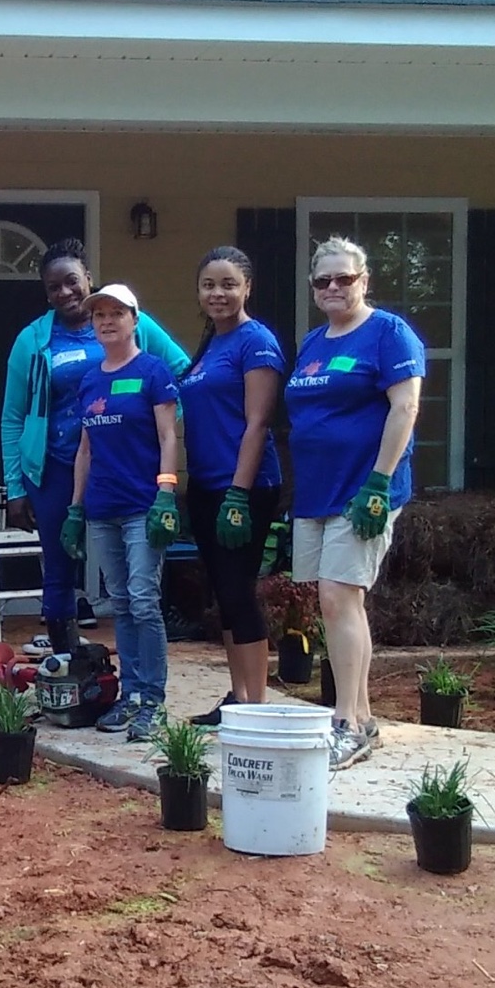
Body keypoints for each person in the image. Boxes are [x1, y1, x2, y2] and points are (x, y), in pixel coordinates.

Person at [1, 238, 191, 660]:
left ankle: (141, 677)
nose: (66, 293)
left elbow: (182, 370)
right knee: (58, 565)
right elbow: (12, 417)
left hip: (122, 468)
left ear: (88, 277)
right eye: (54, 287)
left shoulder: (126, 321)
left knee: (132, 579)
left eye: (72, 281)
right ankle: (67, 662)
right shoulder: (32, 341)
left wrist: (160, 422)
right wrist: (15, 486)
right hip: (53, 467)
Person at [283, 235, 425, 770]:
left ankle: (344, 721)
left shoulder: (388, 333)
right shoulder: (315, 343)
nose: (335, 287)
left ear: (364, 280)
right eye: (325, 281)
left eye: (346, 278)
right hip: (317, 492)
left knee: (340, 598)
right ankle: (360, 717)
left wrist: (379, 482)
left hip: (362, 491)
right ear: (314, 288)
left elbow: (405, 405)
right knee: (334, 602)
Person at [59, 284, 181, 742]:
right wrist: (75, 507)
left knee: (145, 599)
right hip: (102, 508)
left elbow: (169, 436)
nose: (106, 322)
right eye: (99, 316)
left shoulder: (153, 371)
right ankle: (130, 695)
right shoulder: (90, 380)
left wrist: (166, 493)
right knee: (123, 602)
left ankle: (153, 701)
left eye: (116, 314)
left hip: (142, 505)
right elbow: (85, 449)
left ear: (135, 318)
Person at [179, 247, 286, 725]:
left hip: (243, 486)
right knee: (223, 591)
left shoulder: (255, 341)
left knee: (240, 592)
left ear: (247, 288)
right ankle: (238, 698)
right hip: (205, 485)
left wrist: (239, 495)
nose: (217, 293)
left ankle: (257, 709)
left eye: (227, 284)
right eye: (208, 285)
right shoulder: (210, 345)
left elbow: (259, 422)